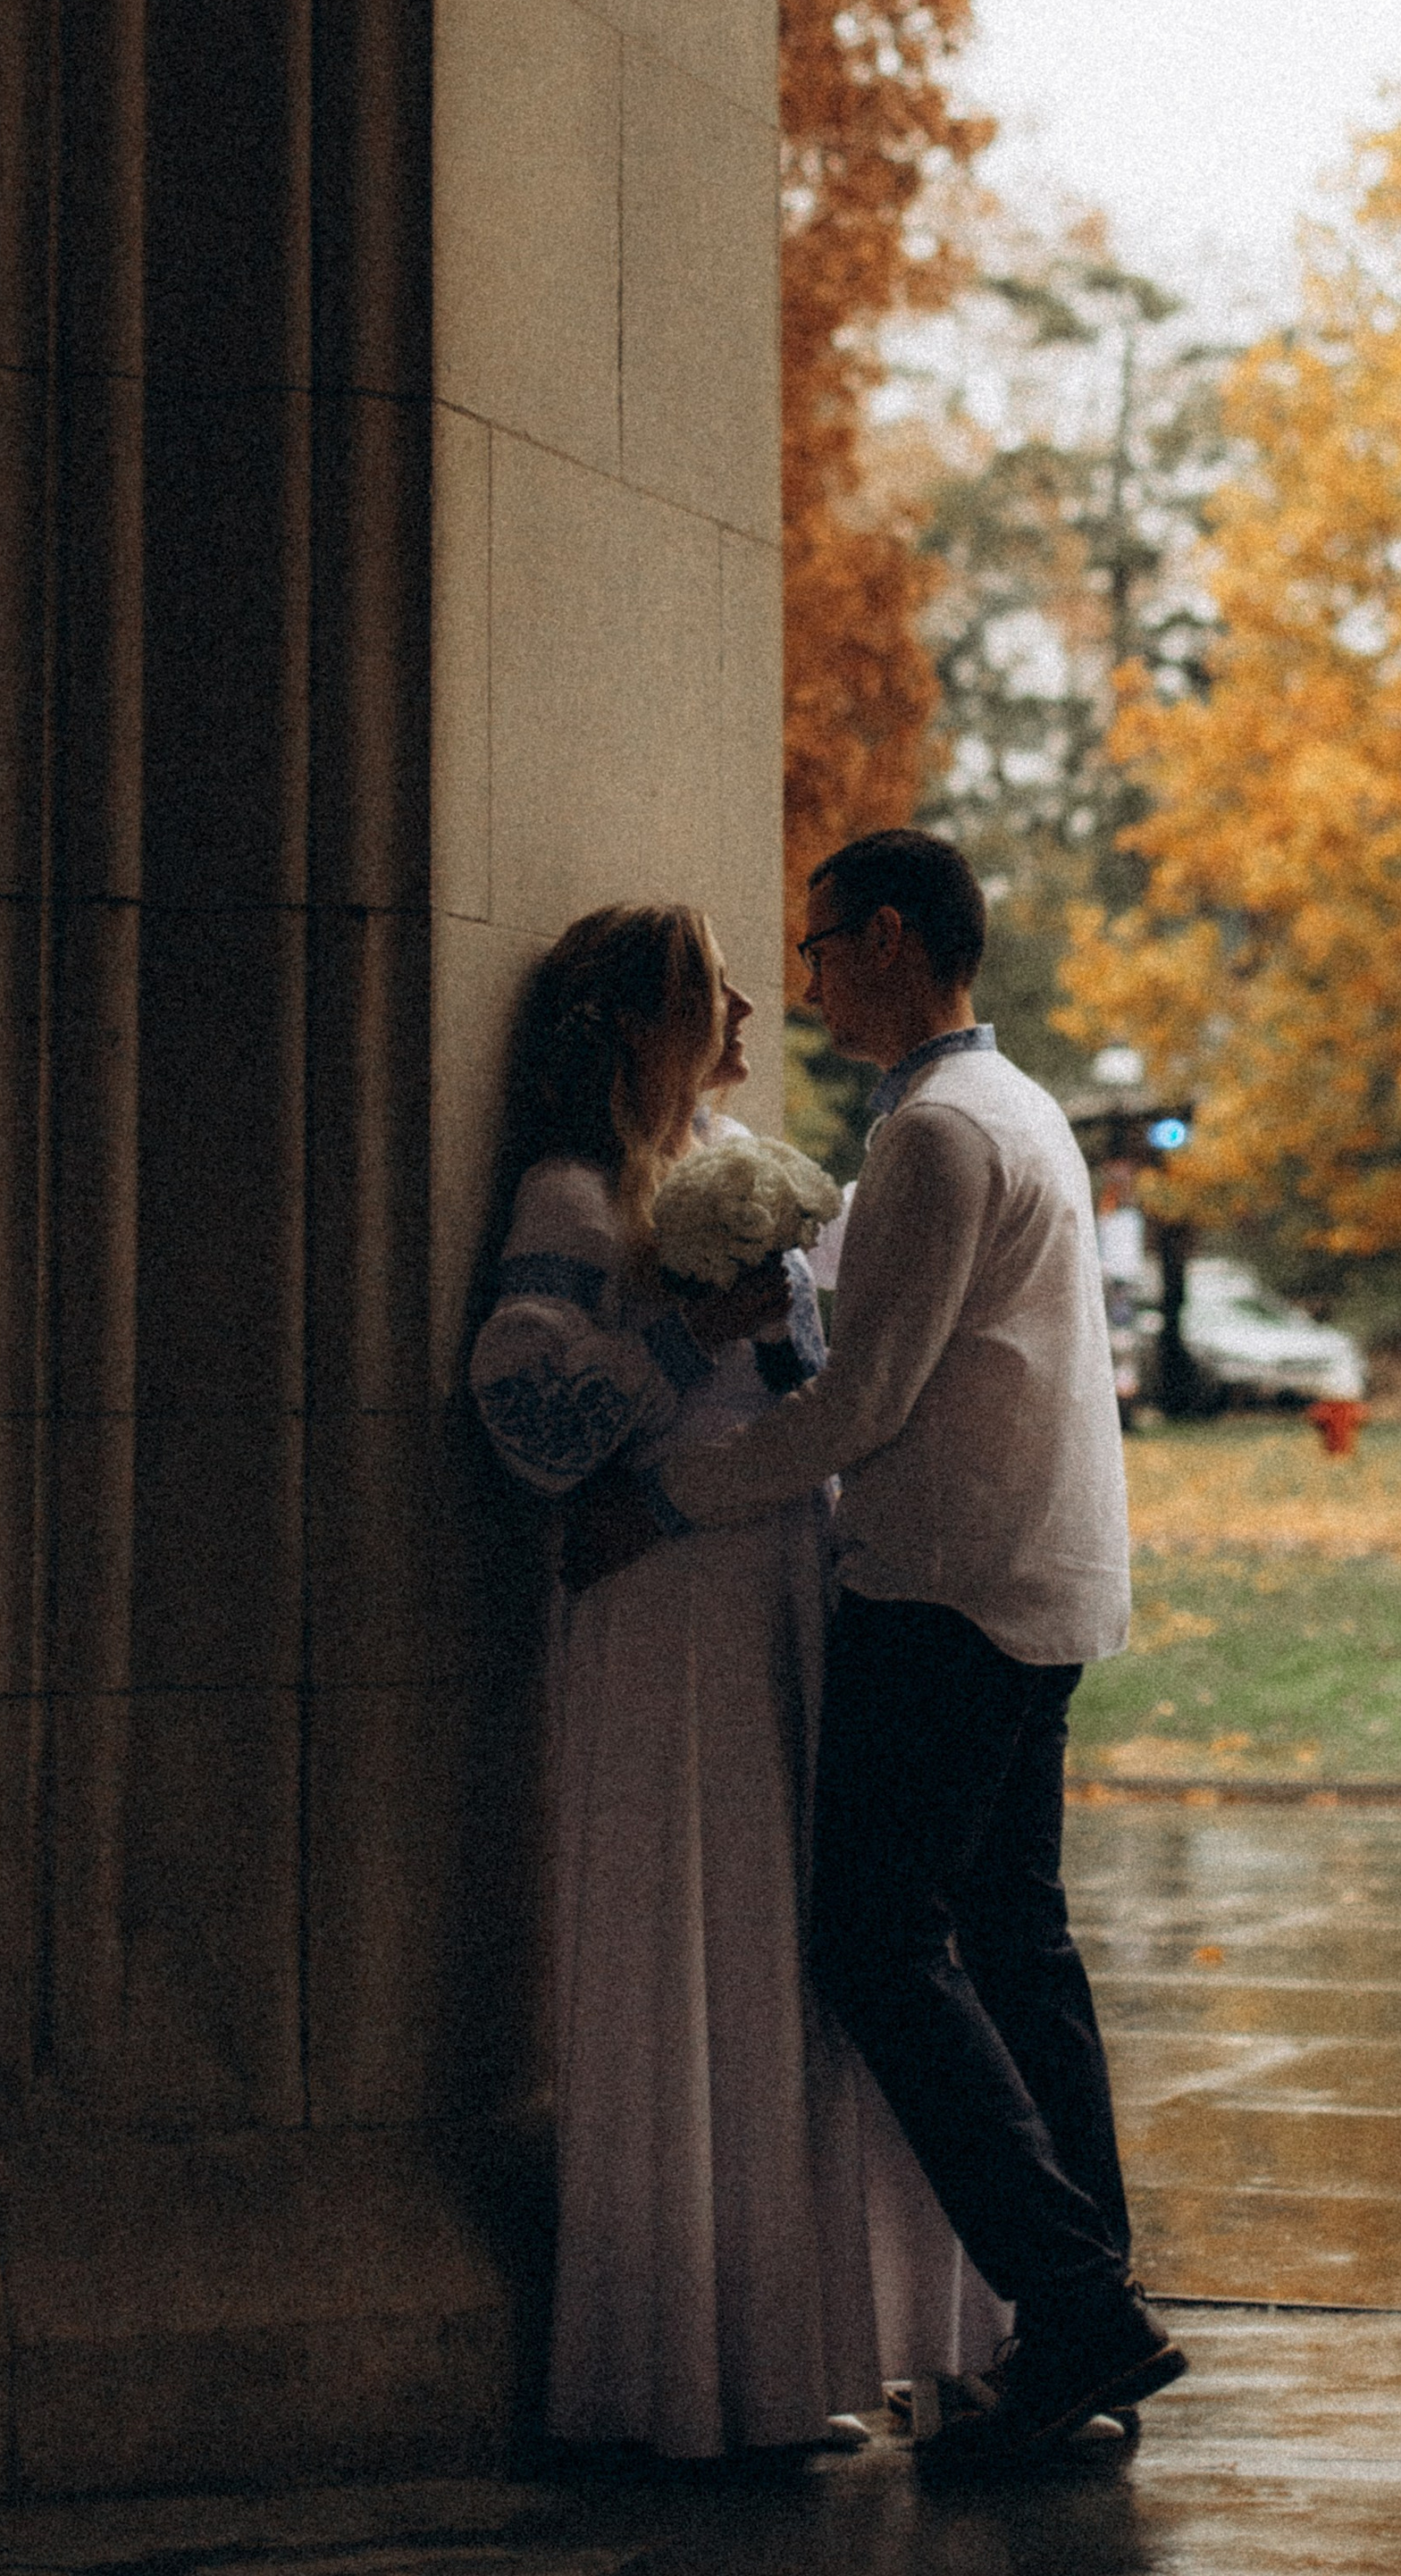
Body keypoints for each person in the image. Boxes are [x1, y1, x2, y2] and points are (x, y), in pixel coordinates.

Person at [566, 832, 1183, 2467]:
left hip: (943, 1589)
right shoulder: (1019, 1107)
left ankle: (1077, 2301)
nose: (814, 972)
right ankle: (1087, 2315)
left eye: (828, 942)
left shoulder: (930, 1134)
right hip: (1041, 1581)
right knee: (1015, 1948)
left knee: (876, 1950)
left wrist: (668, 1495)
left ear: (895, 936)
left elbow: (864, 1401)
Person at [467, 901, 1002, 2459]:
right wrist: (690, 1335)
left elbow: (802, 1382)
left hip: (772, 1577)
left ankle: (783, 2355)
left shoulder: (722, 1163)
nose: (752, 1006)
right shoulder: (574, 1190)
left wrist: (774, 1348)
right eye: (713, 990)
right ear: (640, 1023)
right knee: (682, 1934)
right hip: (663, 1604)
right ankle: (674, 2372)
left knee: (775, 1941)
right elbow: (529, 1416)